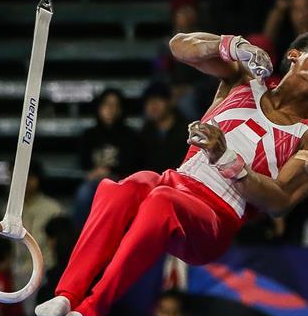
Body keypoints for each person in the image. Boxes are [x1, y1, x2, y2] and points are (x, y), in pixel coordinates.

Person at [33, 28, 308, 316]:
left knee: (161, 199)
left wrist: (226, 159)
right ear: (294, 56)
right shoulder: (242, 81)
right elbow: (179, 46)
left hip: (214, 220)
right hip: (176, 181)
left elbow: (280, 201)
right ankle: (67, 294)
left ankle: (88, 312)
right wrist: (232, 46)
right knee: (122, 187)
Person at [73, 88, 142, 225]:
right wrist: (94, 172)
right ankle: (79, 234)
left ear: (121, 109)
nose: (111, 109)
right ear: (99, 107)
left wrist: (110, 172)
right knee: (84, 194)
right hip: (94, 180)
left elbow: (132, 164)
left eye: (115, 105)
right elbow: (83, 162)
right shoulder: (89, 134)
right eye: (107, 104)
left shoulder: (130, 135)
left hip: (120, 181)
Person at [18, 160, 64, 272]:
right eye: (17, 177)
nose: (24, 181)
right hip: (15, 271)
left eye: (29, 177)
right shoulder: (6, 210)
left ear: (37, 178)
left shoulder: (54, 209)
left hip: (46, 270)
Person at [140, 82, 191, 173]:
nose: (153, 105)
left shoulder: (187, 130)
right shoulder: (145, 132)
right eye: (149, 101)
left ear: (170, 102)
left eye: (158, 100)